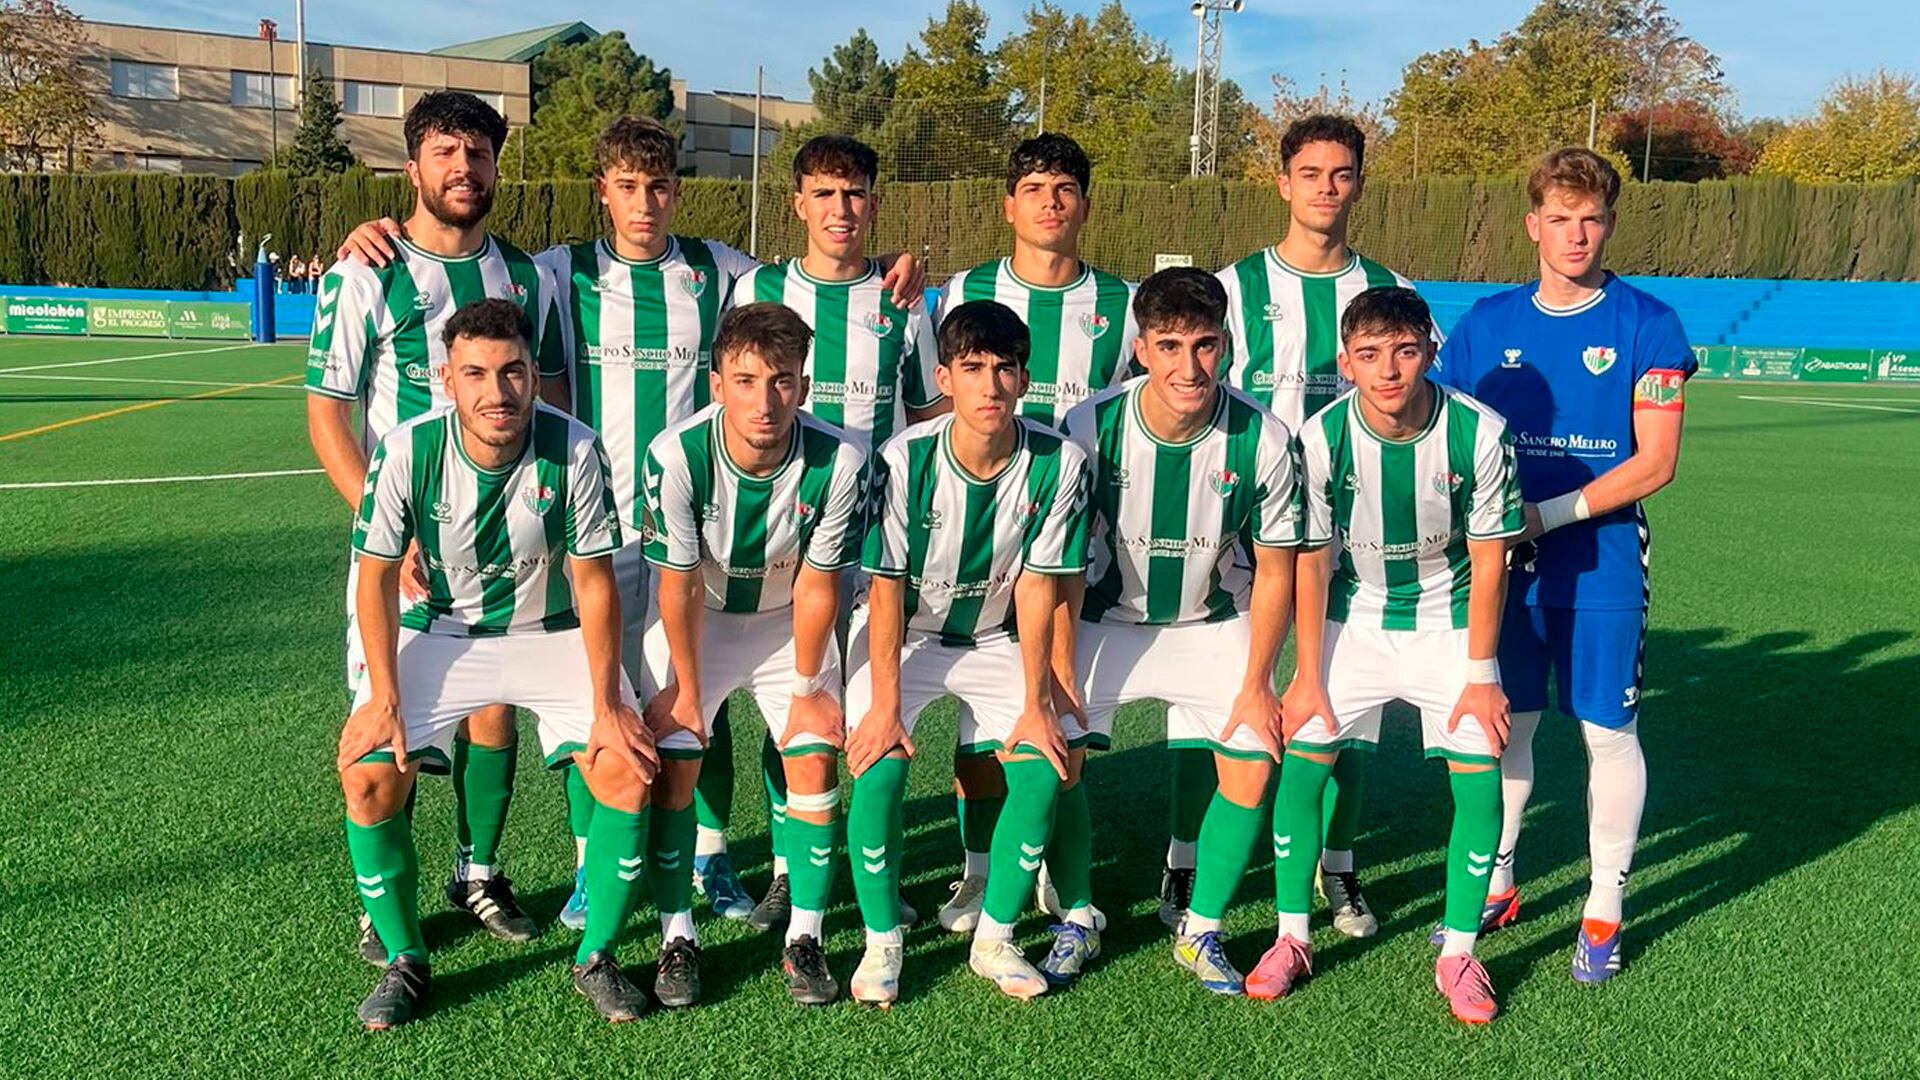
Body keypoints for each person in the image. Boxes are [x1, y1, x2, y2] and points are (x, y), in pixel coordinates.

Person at [338, 298, 657, 1029]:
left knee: (625, 764)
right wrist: (382, 697)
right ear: (447, 380)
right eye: (476, 373)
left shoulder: (574, 447)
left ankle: (598, 956)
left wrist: (609, 703)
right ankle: (404, 957)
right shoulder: (406, 449)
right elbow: (376, 576)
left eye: (514, 372)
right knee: (368, 773)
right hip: (441, 631)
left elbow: (598, 582)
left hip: (548, 630)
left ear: (534, 377)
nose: (498, 391)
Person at [306, 90, 567, 965]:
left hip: (508, 544)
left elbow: (552, 401)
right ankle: (388, 910)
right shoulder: (365, 271)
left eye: (481, 153)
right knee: (392, 727)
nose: (465, 169)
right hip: (405, 551)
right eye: (446, 152)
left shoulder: (528, 277)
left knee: (494, 706)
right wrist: (387, 528)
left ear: (498, 167)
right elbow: (328, 417)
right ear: (412, 165)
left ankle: (479, 871)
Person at [1432, 147, 1695, 983]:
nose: (1576, 234)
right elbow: (1442, 439)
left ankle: (1604, 909)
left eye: (1591, 219)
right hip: (1498, 569)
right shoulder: (1485, 325)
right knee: (1507, 722)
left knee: (1606, 730)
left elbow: (1655, 463)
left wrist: (1542, 516)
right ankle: (1498, 875)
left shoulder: (1649, 323)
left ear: (1609, 224)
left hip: (1601, 561)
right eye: (1560, 217)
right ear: (1532, 225)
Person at [1192, 114, 1429, 938]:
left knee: (1342, 707)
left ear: (1358, 184)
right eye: (1311, 173)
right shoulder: (1232, 286)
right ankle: (1190, 855)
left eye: (1341, 174)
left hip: (1347, 535)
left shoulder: (1386, 285)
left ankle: (1339, 867)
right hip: (1242, 528)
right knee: (1223, 693)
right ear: (1283, 181)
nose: (1326, 188)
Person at [1274, 285, 1524, 1023]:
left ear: (1429, 354)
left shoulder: (1479, 432)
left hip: (1449, 623)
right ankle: (1292, 937)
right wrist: (1306, 673)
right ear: (1346, 362)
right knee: (1303, 765)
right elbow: (1312, 562)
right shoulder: (1319, 439)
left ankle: (1459, 954)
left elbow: (1490, 560)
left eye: (1406, 352)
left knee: (1480, 781)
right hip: (1355, 618)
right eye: (1372, 356)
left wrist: (1482, 676)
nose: (1390, 372)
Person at [1052, 267, 1304, 992]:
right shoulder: (1089, 425)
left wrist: (1259, 684)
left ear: (1226, 345)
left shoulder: (1263, 434)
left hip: (1211, 623)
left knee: (1254, 760)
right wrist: (1059, 669)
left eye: (1204, 345)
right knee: (1052, 759)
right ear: (1139, 349)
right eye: (1169, 346)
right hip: (1106, 619)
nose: (1188, 366)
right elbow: (1063, 562)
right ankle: (1076, 914)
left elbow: (1277, 570)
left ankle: (1201, 930)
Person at [842, 299, 1090, 1005]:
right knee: (879, 766)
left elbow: (1042, 587)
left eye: (1004, 369)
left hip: (995, 637)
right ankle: (882, 942)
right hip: (905, 636)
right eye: (973, 369)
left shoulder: (1056, 460)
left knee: (1041, 768)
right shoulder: (903, 458)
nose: (990, 386)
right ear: (944, 377)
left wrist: (1040, 702)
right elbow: (885, 590)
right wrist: (885, 707)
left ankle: (995, 938)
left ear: (1024, 377)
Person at [929, 133, 1133, 935]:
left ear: (1085, 203)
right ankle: (980, 871)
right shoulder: (963, 291)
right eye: (1035, 186)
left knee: (1059, 712)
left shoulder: (1121, 303)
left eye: (1066, 187)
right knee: (980, 727)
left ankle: (1051, 863)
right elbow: (930, 400)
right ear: (1008, 203)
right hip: (973, 542)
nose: (1051, 200)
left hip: (1069, 546)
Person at [639, 302, 869, 1006]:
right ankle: (678, 934)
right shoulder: (675, 454)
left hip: (783, 623)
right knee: (676, 758)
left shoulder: (841, 457)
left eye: (781, 381)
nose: (764, 400)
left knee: (812, 752)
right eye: (745, 380)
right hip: (697, 619)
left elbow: (817, 583)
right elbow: (675, 585)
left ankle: (806, 937)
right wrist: (682, 683)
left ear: (802, 384)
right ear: (715, 384)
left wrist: (806, 684)